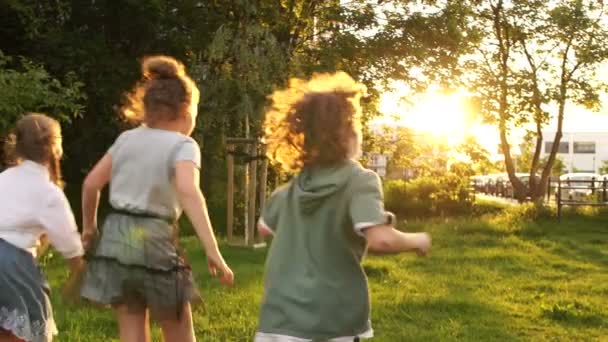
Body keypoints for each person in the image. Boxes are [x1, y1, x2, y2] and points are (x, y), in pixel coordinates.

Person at [255, 72, 432, 341]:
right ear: (348, 133)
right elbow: (381, 241)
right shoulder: (359, 181)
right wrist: (417, 239)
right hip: (331, 322)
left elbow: (263, 229)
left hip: (277, 321)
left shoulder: (290, 190)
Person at [80, 55, 233, 342]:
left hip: (116, 241)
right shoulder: (184, 145)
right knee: (178, 330)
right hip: (153, 240)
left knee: (132, 331)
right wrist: (213, 251)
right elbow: (189, 192)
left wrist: (89, 228)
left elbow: (90, 184)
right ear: (187, 112)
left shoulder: (126, 139)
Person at [0, 114, 85, 342]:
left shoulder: (4, 178)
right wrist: (80, 272)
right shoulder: (47, 191)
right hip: (12, 265)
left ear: (16, 145)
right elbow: (68, 241)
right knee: (25, 327)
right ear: (56, 149)